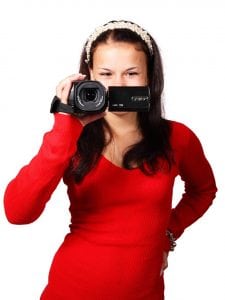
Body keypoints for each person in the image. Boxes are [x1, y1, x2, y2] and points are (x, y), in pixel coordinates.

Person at [4, 20, 217, 300]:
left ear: (149, 76)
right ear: (88, 74)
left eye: (131, 73)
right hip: (71, 288)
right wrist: (65, 126)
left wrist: (169, 232)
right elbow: (18, 213)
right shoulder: (69, 138)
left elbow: (204, 190)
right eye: (106, 73)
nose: (117, 84)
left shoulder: (179, 137)